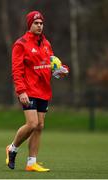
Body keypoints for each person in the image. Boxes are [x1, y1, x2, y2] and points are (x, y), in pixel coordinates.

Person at [6, 10, 67, 172]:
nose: (39, 26)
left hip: (44, 90)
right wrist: (21, 91)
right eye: (36, 23)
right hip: (29, 90)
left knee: (39, 126)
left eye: (41, 23)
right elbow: (17, 70)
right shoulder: (21, 44)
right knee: (32, 124)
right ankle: (12, 148)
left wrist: (59, 70)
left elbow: (51, 63)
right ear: (30, 25)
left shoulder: (46, 43)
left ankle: (31, 163)